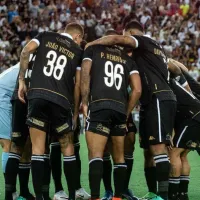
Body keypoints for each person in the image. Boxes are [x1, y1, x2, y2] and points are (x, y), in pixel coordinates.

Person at [86, 20, 177, 200]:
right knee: (148, 150)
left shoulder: (142, 41)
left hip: (156, 97)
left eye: (125, 36)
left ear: (130, 33)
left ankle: (164, 196)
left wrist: (92, 44)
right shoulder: (148, 52)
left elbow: (115, 40)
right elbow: (173, 69)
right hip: (150, 102)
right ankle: (148, 192)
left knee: (158, 149)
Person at [18, 22, 84, 200]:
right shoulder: (78, 51)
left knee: (38, 150)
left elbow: (25, 51)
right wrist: (75, 111)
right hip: (60, 100)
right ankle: (71, 195)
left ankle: (40, 197)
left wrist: (22, 81)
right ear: (77, 37)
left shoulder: (45, 35)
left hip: (37, 96)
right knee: (67, 148)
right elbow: (78, 84)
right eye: (80, 40)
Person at [81, 29, 141, 200]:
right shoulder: (128, 59)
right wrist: (126, 112)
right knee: (119, 157)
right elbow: (137, 90)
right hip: (119, 109)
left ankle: (95, 197)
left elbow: (85, 75)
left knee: (96, 155)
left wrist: (85, 102)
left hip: (99, 105)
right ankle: (117, 197)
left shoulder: (93, 50)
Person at [168, 66, 200, 200]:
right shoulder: (178, 82)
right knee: (183, 155)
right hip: (194, 117)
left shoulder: (166, 82)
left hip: (194, 118)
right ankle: (183, 193)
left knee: (174, 153)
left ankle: (173, 194)